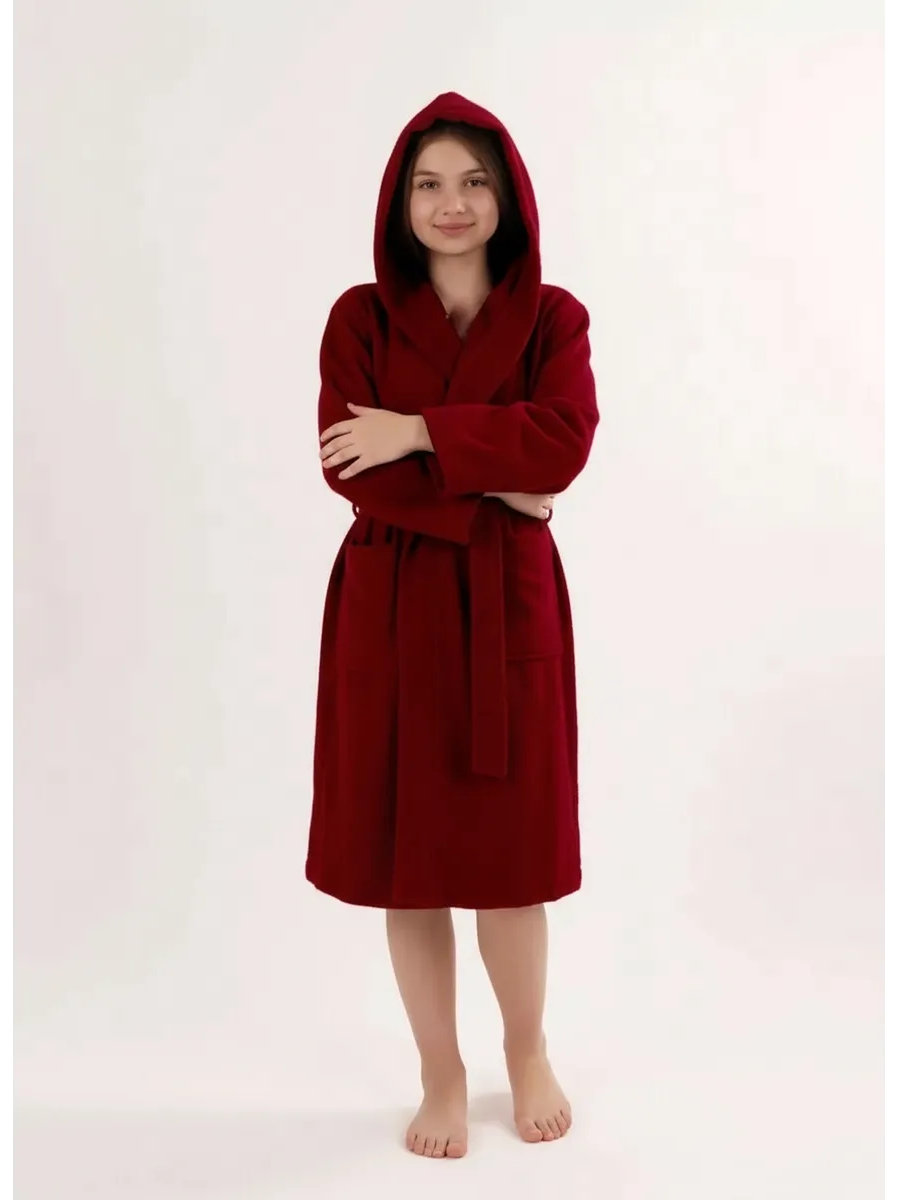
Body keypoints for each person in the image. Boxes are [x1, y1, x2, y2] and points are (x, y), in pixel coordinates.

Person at [306, 91, 600, 1159]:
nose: (452, 202)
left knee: (512, 858)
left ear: (508, 195)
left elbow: (564, 445)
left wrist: (420, 431)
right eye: (428, 183)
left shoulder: (554, 318)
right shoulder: (359, 318)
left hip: (505, 609)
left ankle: (527, 1048)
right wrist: (502, 477)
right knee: (409, 860)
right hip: (389, 612)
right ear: (400, 201)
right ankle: (441, 1069)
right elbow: (352, 472)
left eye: (474, 181)